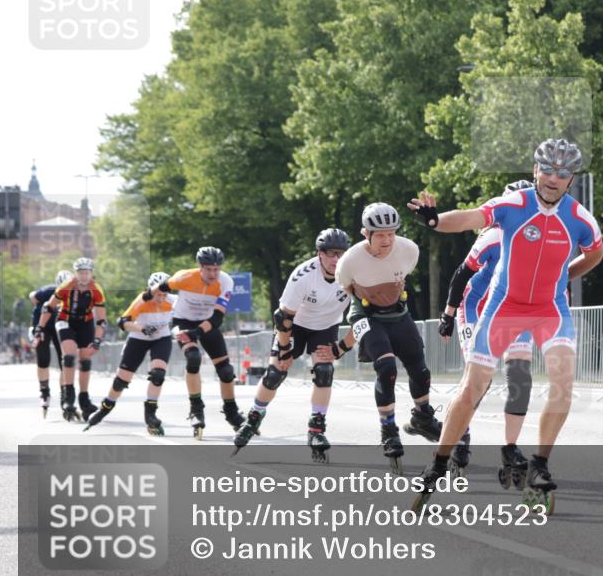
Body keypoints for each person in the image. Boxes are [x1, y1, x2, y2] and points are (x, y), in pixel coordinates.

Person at [407, 138, 603, 512]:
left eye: (562, 174)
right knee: (472, 388)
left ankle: (540, 466)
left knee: (563, 384)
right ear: (534, 171)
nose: (553, 179)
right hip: (505, 307)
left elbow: (596, 252)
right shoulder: (516, 204)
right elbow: (471, 217)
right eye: (547, 170)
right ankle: (438, 462)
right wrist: (436, 220)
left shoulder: (580, 217)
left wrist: (565, 277)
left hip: (550, 310)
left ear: (571, 178)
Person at [438, 180, 536, 482]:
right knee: (479, 381)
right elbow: (461, 274)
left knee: (520, 378)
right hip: (476, 309)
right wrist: (448, 315)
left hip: (514, 312)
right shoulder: (493, 236)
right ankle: (461, 434)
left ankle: (510, 449)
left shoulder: (539, 238)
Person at [335, 202, 443, 474]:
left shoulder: (409, 250)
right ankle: (388, 429)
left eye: (391, 234)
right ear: (365, 234)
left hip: (398, 311)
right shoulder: (350, 260)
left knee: (420, 369)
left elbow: (402, 276)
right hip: (364, 314)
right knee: (385, 368)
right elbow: (347, 287)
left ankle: (423, 417)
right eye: (380, 235)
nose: (386, 240)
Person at [233, 228, 356, 462]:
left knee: (324, 371)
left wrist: (341, 348)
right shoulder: (303, 275)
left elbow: (365, 318)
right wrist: (284, 347)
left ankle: (316, 429)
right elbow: (283, 317)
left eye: (341, 254)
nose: (336, 260)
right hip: (295, 326)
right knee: (275, 372)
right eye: (330, 254)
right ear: (319, 254)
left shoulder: (354, 274)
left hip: (325, 327)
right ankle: (253, 418)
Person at [143, 246, 242, 438]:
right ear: (200, 267)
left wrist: (197, 332)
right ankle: (196, 409)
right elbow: (163, 286)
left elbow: (218, 318)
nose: (213, 274)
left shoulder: (225, 281)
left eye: (217, 269)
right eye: (209, 269)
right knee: (194, 357)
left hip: (206, 323)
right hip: (182, 321)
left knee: (226, 371)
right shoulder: (184, 277)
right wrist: (149, 294)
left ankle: (232, 413)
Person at [84, 272, 175, 435]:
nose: (161, 298)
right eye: (157, 294)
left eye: (164, 294)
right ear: (150, 290)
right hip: (138, 338)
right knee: (121, 382)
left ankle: (151, 414)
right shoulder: (142, 300)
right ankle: (106, 407)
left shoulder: (173, 301)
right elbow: (123, 322)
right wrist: (142, 329)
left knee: (158, 375)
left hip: (161, 338)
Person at [38, 258, 107, 422]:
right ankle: (69, 397)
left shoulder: (96, 289)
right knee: (68, 357)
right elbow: (49, 306)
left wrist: (97, 339)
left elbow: (101, 320)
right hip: (65, 320)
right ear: (76, 274)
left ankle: (84, 398)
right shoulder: (66, 286)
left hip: (85, 322)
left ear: (91, 274)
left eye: (87, 273)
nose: (84, 276)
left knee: (85, 360)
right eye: (81, 273)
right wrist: (40, 327)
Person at [29, 270, 72, 417]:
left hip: (60, 326)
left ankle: (65, 395)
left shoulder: (75, 294)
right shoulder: (48, 290)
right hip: (43, 326)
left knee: (65, 361)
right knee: (43, 359)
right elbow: (32, 296)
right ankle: (44, 392)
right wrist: (38, 308)